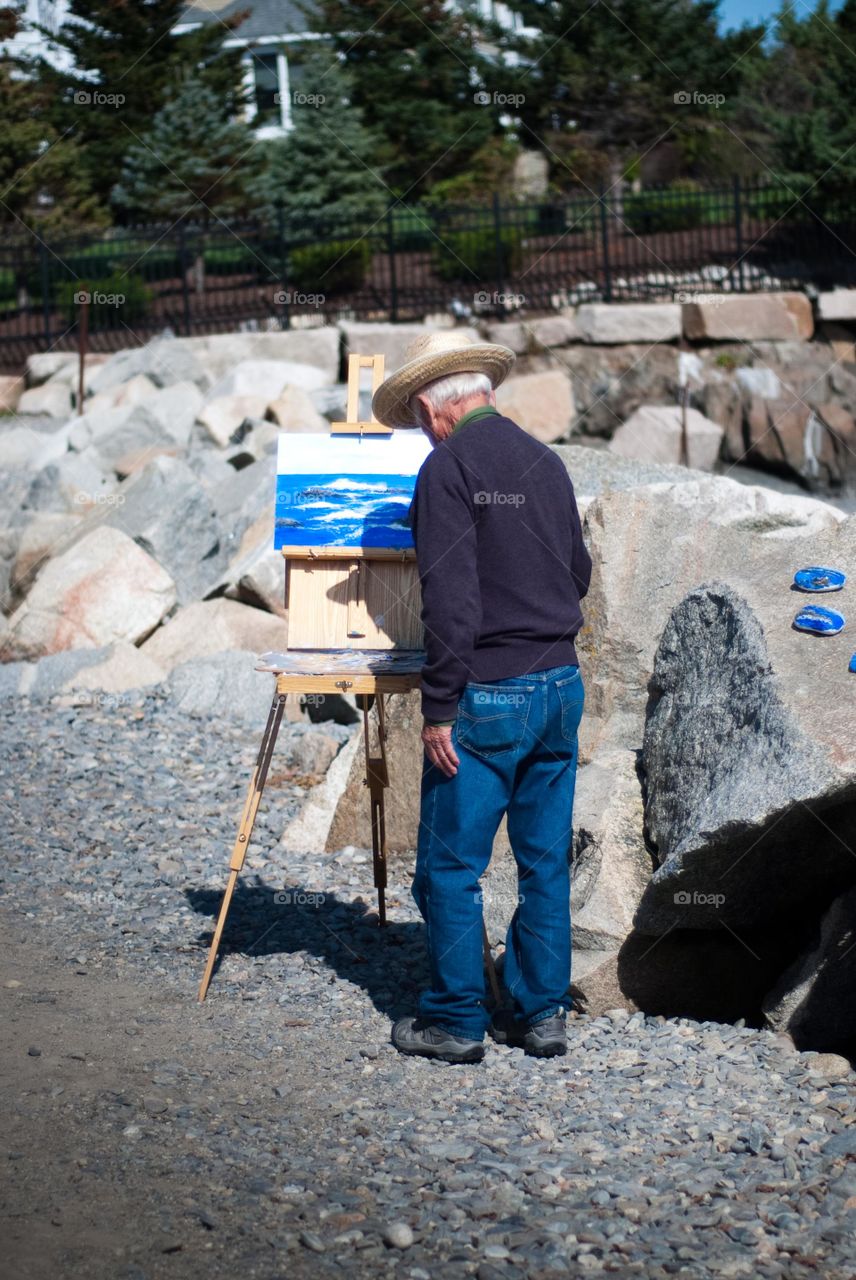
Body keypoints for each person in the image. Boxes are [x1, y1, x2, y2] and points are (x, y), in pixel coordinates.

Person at [372, 332, 592, 1064]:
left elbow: (452, 601)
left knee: (451, 868)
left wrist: (439, 706)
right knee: (543, 864)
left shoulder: (447, 468)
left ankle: (456, 1020)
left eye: (418, 421)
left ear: (434, 409)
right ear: (483, 395)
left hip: (490, 695)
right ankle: (541, 1015)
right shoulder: (547, 459)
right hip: (560, 686)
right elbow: (578, 572)